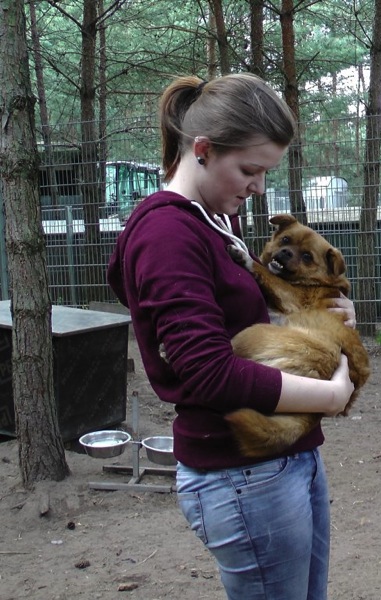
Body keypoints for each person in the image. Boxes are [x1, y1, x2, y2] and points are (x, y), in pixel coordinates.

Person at [107, 74, 356, 600]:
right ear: (202, 150)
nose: (259, 187)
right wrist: (330, 396)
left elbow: (239, 318)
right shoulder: (167, 235)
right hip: (241, 472)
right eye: (250, 170)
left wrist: (323, 310)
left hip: (286, 455)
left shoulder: (216, 219)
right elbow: (209, 372)